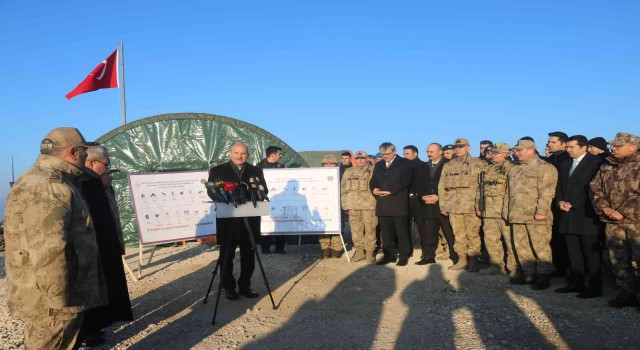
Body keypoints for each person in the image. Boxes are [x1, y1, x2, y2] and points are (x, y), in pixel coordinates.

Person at [4, 127, 106, 349]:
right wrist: (57, 302)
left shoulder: (50, 179)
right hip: (56, 296)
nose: (86, 156)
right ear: (72, 152)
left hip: (57, 290)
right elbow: (48, 248)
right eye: (84, 151)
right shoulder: (50, 185)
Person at [78, 146, 133, 345]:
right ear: (91, 163)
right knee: (93, 290)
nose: (108, 172)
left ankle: (97, 325)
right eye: (106, 166)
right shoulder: (81, 186)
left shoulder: (100, 187)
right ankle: (87, 330)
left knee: (107, 287)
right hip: (91, 249)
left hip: (106, 246)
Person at [208, 143, 267, 300]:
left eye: (243, 153)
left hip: (250, 219)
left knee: (249, 253)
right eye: (236, 153)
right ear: (230, 153)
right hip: (228, 219)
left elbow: (264, 190)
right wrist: (225, 195)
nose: (240, 156)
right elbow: (211, 191)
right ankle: (228, 286)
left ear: (248, 154)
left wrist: (252, 191)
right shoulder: (217, 170)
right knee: (227, 254)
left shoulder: (256, 170)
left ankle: (245, 285)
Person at [590, 132, 640, 309]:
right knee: (618, 259)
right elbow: (595, 188)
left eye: (618, 145)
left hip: (636, 222)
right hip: (612, 221)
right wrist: (605, 208)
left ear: (632, 147)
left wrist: (623, 212)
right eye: (614, 145)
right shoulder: (607, 166)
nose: (613, 148)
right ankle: (627, 293)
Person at [504, 139, 558, 290]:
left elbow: (547, 192)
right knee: (521, 246)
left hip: (535, 215)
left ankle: (544, 275)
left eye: (520, 150)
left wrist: (541, 211)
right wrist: (506, 210)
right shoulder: (514, 169)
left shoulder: (545, 168)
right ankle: (529, 273)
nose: (517, 153)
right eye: (515, 151)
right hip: (517, 214)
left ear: (531, 150)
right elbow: (508, 192)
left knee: (540, 246)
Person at [554, 135, 604, 298]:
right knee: (573, 251)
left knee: (591, 254)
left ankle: (595, 286)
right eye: (567, 147)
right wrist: (560, 200)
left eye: (571, 147)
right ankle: (576, 282)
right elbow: (560, 185)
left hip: (586, 215)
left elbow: (593, 190)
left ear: (584, 147)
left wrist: (574, 203)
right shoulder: (565, 163)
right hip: (567, 215)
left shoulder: (596, 163)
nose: (567, 150)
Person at [438, 138, 488, 272]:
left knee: (473, 234)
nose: (458, 149)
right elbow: (442, 186)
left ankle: (473, 260)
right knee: (458, 235)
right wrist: (443, 205)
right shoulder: (448, 165)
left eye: (461, 147)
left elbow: (483, 187)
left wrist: (481, 206)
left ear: (469, 148)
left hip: (471, 206)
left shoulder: (478, 164)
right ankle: (462, 259)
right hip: (453, 207)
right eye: (456, 147)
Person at [477, 143, 518, 276]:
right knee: (491, 239)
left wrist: (509, 210)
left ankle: (514, 267)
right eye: (492, 153)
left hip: (504, 211)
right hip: (489, 211)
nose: (492, 155)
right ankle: (496, 266)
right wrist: (479, 206)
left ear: (506, 154)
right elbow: (480, 189)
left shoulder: (512, 168)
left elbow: (513, 192)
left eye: (496, 153)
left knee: (510, 240)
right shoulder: (488, 169)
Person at [370, 142, 413, 266]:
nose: (385, 156)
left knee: (401, 231)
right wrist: (373, 189)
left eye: (388, 154)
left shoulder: (405, 163)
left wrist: (391, 191)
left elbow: (406, 180)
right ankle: (389, 255)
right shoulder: (378, 165)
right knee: (386, 232)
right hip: (383, 203)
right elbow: (373, 181)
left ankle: (404, 255)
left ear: (394, 151)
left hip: (398, 202)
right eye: (383, 154)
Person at [418, 143, 458, 265]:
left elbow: (452, 185)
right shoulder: (424, 166)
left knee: (449, 233)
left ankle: (455, 256)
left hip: (444, 205)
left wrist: (439, 197)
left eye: (432, 151)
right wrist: (423, 196)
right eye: (428, 151)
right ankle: (429, 256)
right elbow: (419, 183)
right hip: (428, 204)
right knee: (429, 232)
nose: (429, 154)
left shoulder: (449, 164)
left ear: (440, 152)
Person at [341, 151, 378, 262]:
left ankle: (370, 253)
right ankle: (359, 252)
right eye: (358, 158)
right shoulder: (348, 172)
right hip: (353, 206)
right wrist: (344, 204)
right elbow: (343, 189)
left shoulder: (374, 171)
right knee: (356, 230)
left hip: (369, 206)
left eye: (362, 158)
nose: (360, 160)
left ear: (367, 159)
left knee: (370, 230)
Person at [256, 146, 287, 254]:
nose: (281, 156)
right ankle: (265, 247)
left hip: (279, 199)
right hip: (264, 199)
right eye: (279, 154)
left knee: (280, 222)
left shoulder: (281, 166)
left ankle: (280, 247)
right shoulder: (259, 167)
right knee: (265, 223)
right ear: (273, 155)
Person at [319, 154, 344, 258]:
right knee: (323, 226)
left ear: (336, 164)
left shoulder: (342, 175)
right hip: (322, 205)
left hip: (337, 205)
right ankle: (325, 248)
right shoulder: (317, 175)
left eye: (331, 164)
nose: (328, 166)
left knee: (337, 226)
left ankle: (336, 248)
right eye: (326, 164)